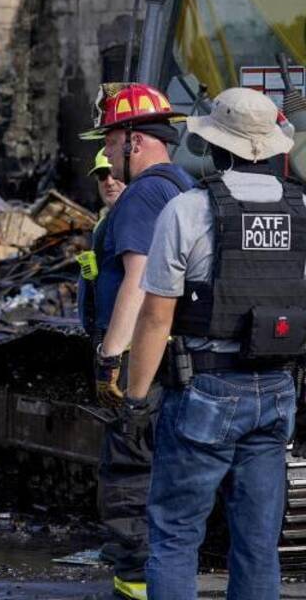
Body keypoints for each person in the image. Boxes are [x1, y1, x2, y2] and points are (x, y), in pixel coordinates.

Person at [127, 87, 299, 599]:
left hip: (206, 390)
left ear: (214, 147)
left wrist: (136, 400)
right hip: (277, 390)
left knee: (177, 537)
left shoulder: (189, 210)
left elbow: (156, 318)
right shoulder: (303, 210)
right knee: (257, 542)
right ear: (270, 146)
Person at [79, 82, 195, 600]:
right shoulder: (183, 186)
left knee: (128, 471)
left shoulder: (144, 194)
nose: (104, 150)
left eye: (110, 137)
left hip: (141, 359)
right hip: (177, 355)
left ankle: (136, 582)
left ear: (135, 140)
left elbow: (140, 277)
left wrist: (111, 358)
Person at [77, 147, 126, 339]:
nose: (109, 182)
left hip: (124, 338)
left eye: (114, 174)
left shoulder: (135, 218)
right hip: (104, 330)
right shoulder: (105, 221)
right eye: (102, 176)